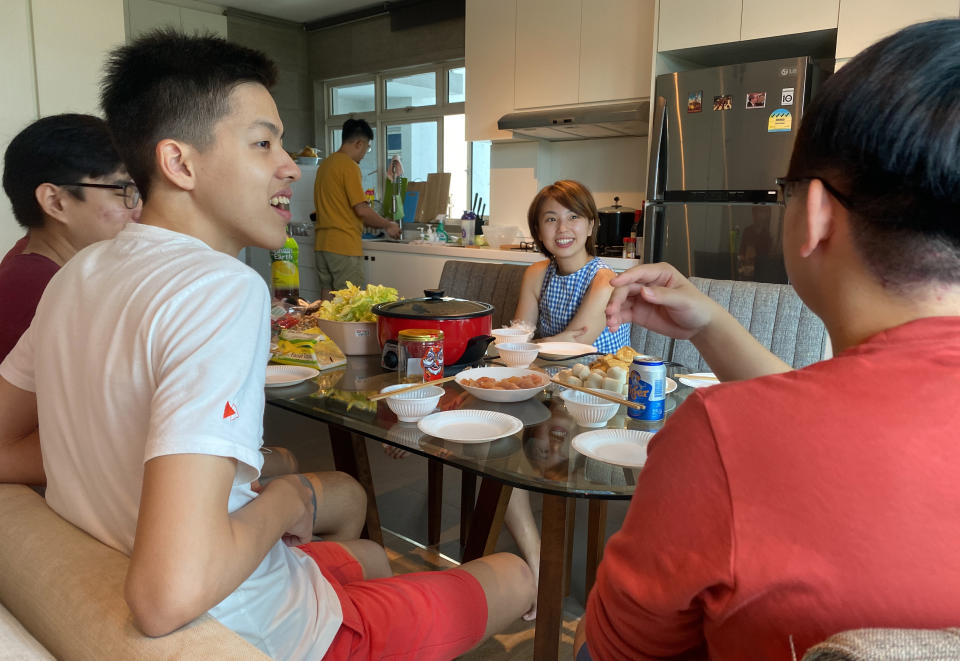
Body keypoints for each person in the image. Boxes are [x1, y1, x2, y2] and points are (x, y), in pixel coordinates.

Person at [0, 30, 533, 661]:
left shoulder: (76, 277)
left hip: (243, 579)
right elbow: (169, 594)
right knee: (514, 574)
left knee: (367, 552)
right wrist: (283, 500)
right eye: (263, 142)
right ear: (180, 163)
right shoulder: (218, 288)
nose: (290, 164)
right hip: (275, 629)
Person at [576, 18, 960, 661]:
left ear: (815, 213)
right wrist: (713, 324)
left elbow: (620, 649)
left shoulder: (718, 440)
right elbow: (842, 434)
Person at [0, 114, 141, 368]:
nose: (138, 209)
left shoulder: (36, 267)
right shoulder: (35, 292)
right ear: (55, 202)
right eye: (123, 191)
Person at [512, 179, 631, 351]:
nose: (562, 228)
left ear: (590, 225)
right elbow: (516, 340)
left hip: (600, 375)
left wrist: (534, 345)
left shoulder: (605, 280)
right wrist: (547, 343)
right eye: (551, 219)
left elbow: (570, 349)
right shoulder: (536, 274)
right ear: (538, 231)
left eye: (573, 217)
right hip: (550, 372)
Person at [313, 119, 401, 296]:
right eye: (367, 148)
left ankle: (324, 326)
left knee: (327, 300)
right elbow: (361, 209)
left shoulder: (325, 165)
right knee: (350, 302)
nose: (364, 154)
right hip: (343, 245)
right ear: (358, 143)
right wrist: (388, 225)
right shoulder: (348, 166)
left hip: (322, 244)